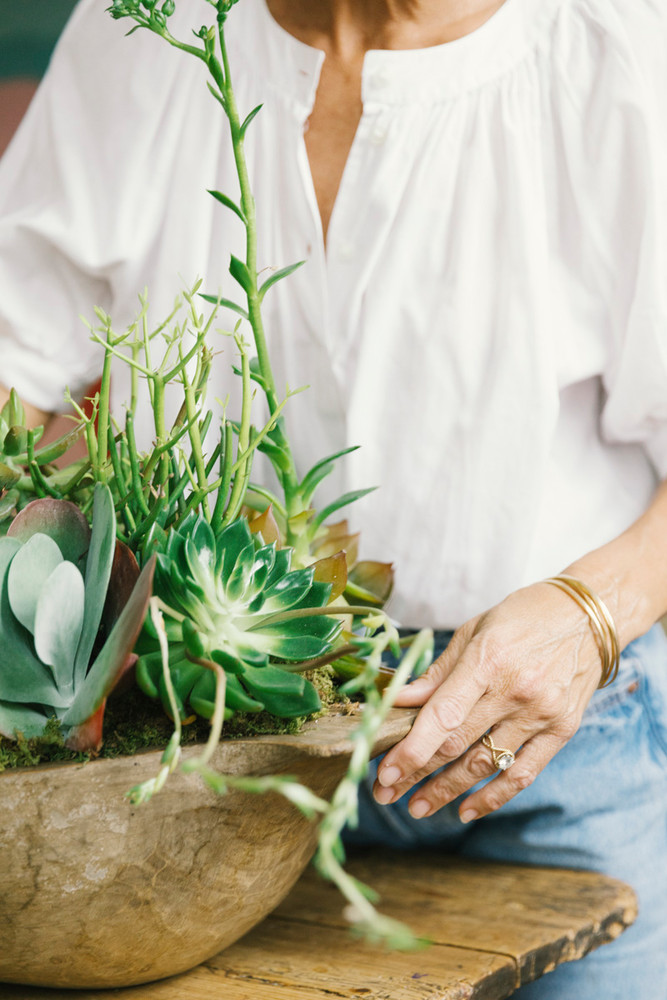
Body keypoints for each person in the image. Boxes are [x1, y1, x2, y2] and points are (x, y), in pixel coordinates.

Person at [1, 1, 667, 995]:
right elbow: (18, 370)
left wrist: (584, 618)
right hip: (205, 743)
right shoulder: (145, 25)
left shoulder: (615, 46)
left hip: (545, 749)